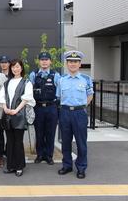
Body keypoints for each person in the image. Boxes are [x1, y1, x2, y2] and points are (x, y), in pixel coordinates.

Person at [57, 50, 94, 179]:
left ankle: (81, 167)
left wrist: (82, 107)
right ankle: (67, 165)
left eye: (76, 62)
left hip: (79, 113)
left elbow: (90, 95)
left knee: (81, 142)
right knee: (65, 141)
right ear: (66, 64)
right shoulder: (61, 79)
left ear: (80, 64)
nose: (73, 64)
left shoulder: (86, 79)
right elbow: (59, 96)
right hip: (65, 112)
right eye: (71, 62)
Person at [0, 59, 35, 177]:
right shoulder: (7, 83)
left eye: (17, 66)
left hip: (20, 115)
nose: (15, 69)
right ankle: (10, 166)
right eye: (13, 67)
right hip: (7, 115)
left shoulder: (26, 82)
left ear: (21, 68)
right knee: (10, 141)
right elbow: (1, 97)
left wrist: (16, 110)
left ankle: (19, 167)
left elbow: (26, 98)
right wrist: (5, 108)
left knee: (18, 141)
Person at [29, 52, 60, 165]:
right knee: (39, 131)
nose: (44, 61)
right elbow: (29, 90)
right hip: (38, 107)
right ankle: (40, 154)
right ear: (39, 61)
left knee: (50, 132)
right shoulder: (33, 74)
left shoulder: (55, 75)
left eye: (46, 59)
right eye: (42, 59)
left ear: (50, 61)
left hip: (51, 107)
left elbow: (60, 91)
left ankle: (49, 155)